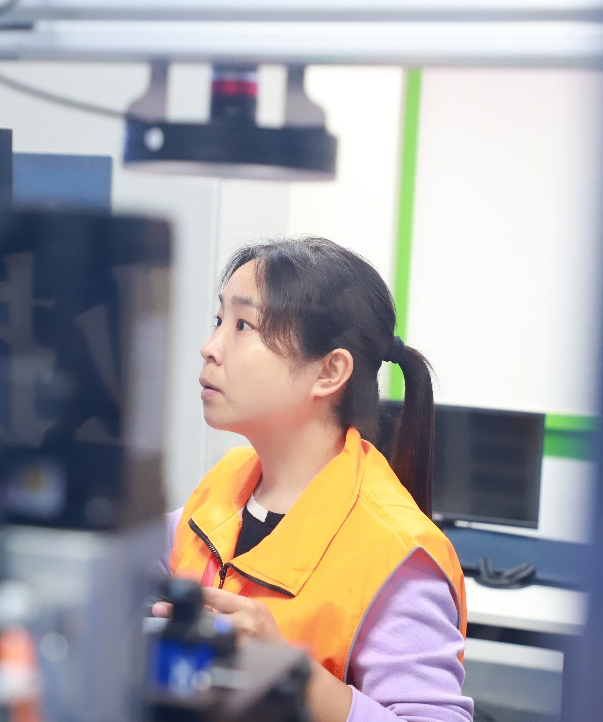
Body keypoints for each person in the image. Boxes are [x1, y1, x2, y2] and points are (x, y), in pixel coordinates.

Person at [155, 237, 473, 722]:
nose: (210, 348)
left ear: (329, 371)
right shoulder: (229, 481)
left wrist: (291, 675)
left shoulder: (395, 553)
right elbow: (139, 558)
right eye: (219, 320)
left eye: (243, 325)